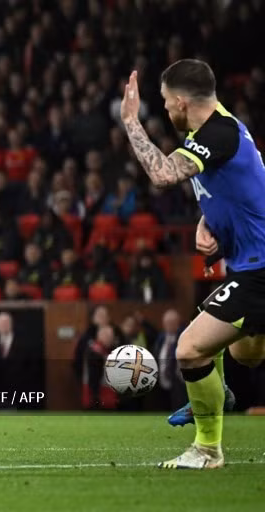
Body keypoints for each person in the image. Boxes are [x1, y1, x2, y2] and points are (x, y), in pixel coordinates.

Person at [121, 59, 265, 469]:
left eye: (167, 102)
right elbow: (248, 185)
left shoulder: (218, 133)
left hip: (260, 270)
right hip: (248, 265)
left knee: (190, 349)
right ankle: (218, 393)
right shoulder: (222, 131)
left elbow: (164, 174)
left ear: (181, 102)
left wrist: (131, 121)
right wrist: (210, 220)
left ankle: (206, 449)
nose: (166, 109)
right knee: (246, 355)